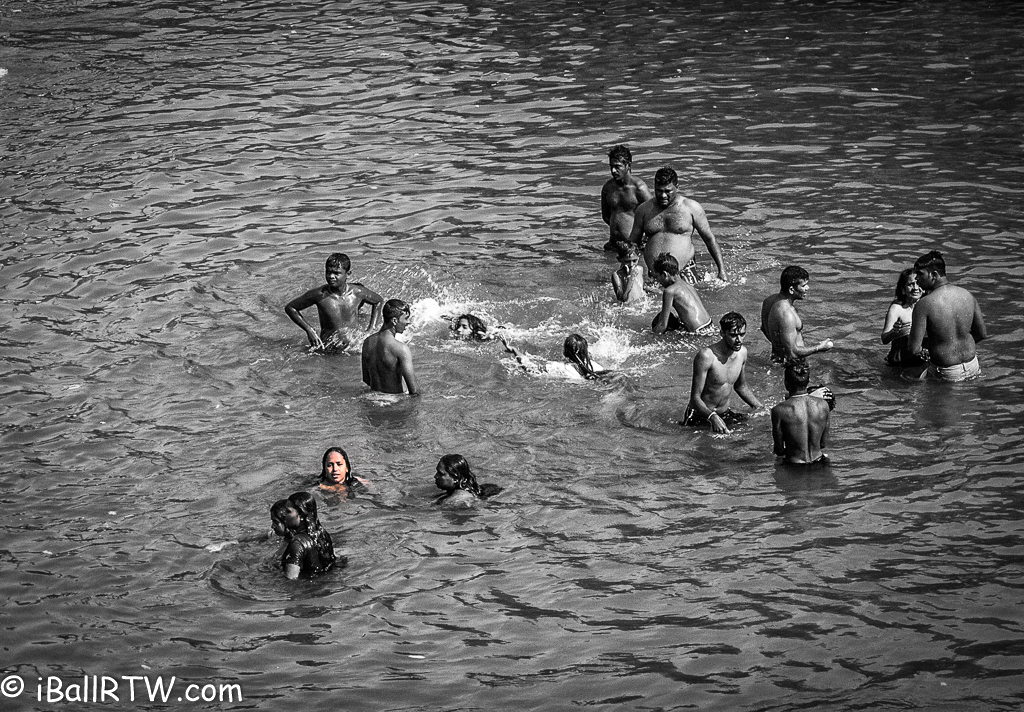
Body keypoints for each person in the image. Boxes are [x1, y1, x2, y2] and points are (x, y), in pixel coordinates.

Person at [627, 166, 726, 283]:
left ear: (677, 187)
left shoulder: (691, 208)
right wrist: (625, 270)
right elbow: (633, 243)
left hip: (684, 272)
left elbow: (709, 239)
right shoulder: (644, 210)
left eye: (668, 191)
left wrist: (722, 271)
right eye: (659, 191)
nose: (663, 195)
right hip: (655, 275)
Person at [909, 250, 988, 381]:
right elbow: (982, 334)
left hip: (947, 372)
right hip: (973, 364)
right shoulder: (967, 295)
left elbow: (913, 348)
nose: (916, 278)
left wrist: (935, 347)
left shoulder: (924, 304)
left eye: (920, 274)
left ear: (934, 275)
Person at [680, 312, 763, 433]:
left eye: (742, 334)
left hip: (724, 414)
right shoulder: (706, 356)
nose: (739, 340)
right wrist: (712, 417)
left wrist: (760, 407)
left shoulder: (742, 353)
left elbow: (741, 386)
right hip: (700, 416)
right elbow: (695, 398)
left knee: (754, 430)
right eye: (733, 335)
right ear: (722, 333)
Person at [285, 253, 383, 352]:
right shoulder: (319, 294)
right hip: (329, 349)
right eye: (328, 272)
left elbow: (378, 301)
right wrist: (310, 330)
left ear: (348, 274)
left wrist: (371, 330)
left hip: (354, 348)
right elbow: (291, 308)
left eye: (336, 273)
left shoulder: (358, 292)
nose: (331, 276)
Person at [760, 265, 834, 365]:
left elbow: (764, 329)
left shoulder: (768, 301)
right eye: (803, 286)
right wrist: (819, 348)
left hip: (778, 360)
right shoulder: (787, 314)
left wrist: (779, 346)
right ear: (791, 289)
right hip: (793, 367)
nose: (807, 288)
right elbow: (793, 353)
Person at [771, 361, 831, 465]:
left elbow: (779, 450)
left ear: (786, 383)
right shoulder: (823, 405)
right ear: (808, 381)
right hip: (820, 462)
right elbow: (823, 443)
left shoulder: (779, 410)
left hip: (794, 466)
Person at [361, 299, 420, 395]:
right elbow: (414, 391)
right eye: (405, 318)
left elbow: (366, 379)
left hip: (373, 399)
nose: (407, 323)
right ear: (394, 321)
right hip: (394, 403)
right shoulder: (401, 349)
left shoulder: (367, 342)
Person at [601, 145, 653, 253]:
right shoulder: (608, 187)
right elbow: (606, 216)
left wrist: (640, 237)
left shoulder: (639, 188)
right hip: (613, 245)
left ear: (628, 165)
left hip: (634, 246)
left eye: (617, 166)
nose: (613, 170)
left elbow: (654, 215)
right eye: (611, 166)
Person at [270, 496, 336, 579]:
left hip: (308, 588)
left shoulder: (297, 543)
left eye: (288, 511)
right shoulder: (322, 533)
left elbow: (290, 580)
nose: (284, 514)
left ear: (300, 514)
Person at [650, 253, 714, 335]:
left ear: (665, 274)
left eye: (657, 276)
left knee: (658, 321)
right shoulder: (687, 284)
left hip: (698, 332)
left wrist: (648, 337)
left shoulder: (670, 291)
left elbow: (662, 325)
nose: (657, 281)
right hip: (710, 326)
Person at [500, 333, 609, 380]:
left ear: (565, 352)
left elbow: (530, 369)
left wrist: (514, 350)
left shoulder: (559, 368)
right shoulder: (596, 367)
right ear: (586, 351)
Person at [881, 268, 926, 367]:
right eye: (911, 285)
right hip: (899, 364)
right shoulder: (897, 309)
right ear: (903, 289)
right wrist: (894, 332)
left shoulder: (927, 306)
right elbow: (884, 339)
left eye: (918, 283)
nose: (916, 288)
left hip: (921, 361)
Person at [433, 454, 502, 508]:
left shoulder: (455, 500)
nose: (435, 476)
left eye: (441, 473)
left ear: (455, 478)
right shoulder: (464, 491)